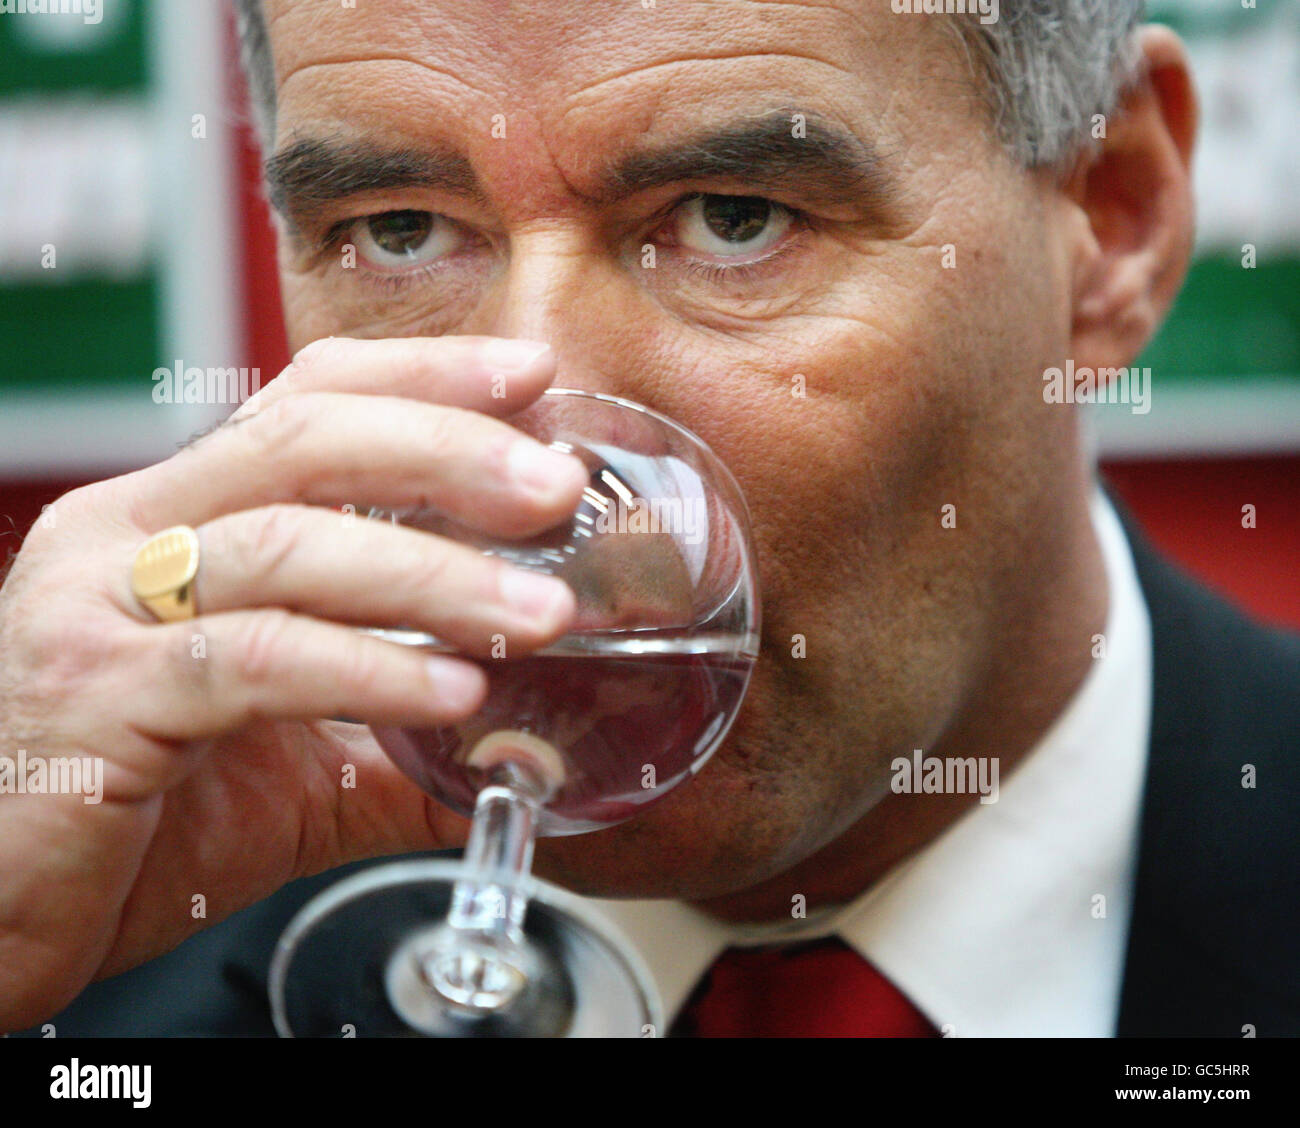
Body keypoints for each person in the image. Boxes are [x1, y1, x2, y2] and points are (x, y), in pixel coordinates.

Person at [2, 0, 1297, 1038]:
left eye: (736, 220)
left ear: (1115, 216)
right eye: (399, 232)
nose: (544, 469)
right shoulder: (99, 982)